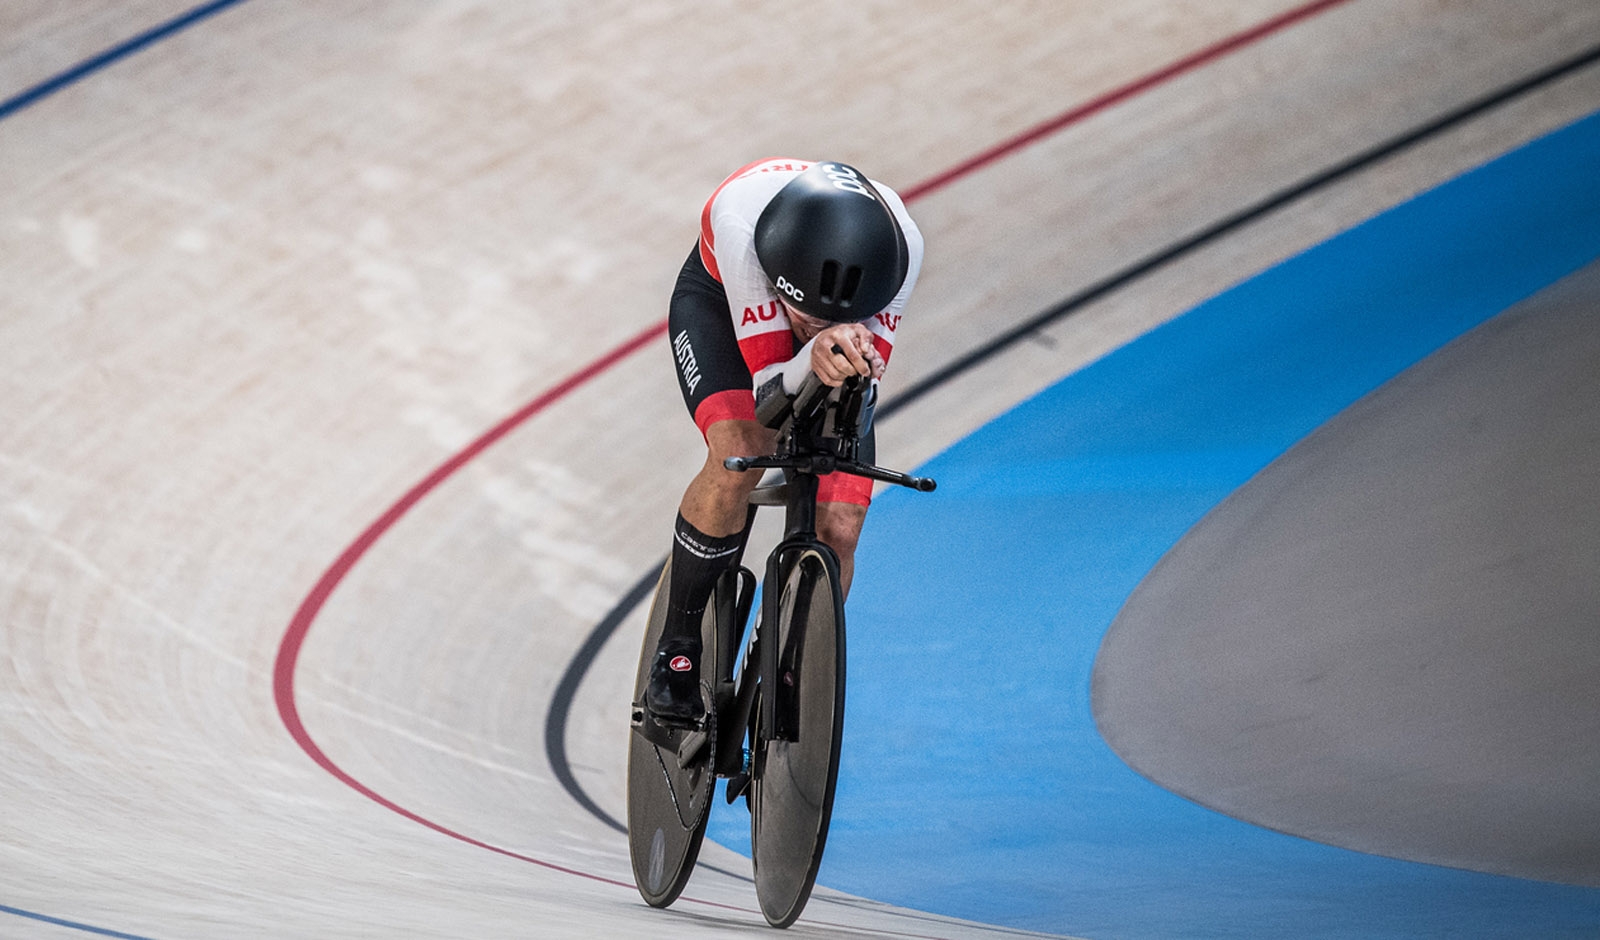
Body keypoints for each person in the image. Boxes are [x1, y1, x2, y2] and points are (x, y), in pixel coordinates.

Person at [645, 158, 925, 724]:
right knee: (739, 454)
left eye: (824, 321)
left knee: (841, 522)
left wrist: (851, 366)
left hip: (831, 323)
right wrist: (810, 357)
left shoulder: (901, 251)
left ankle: (793, 667)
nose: (811, 327)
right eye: (803, 316)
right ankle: (676, 653)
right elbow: (771, 398)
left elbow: (862, 406)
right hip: (720, 306)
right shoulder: (742, 228)